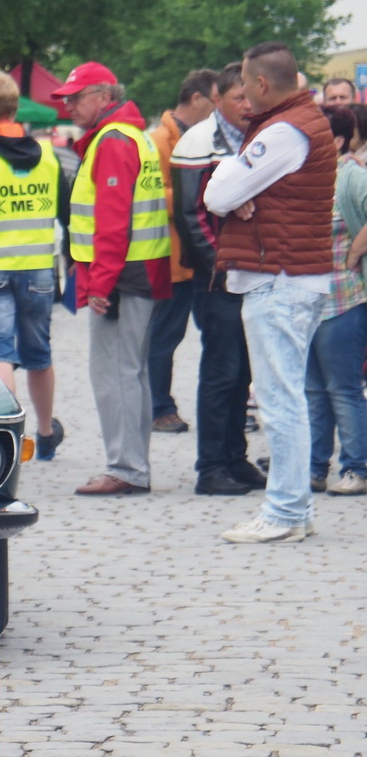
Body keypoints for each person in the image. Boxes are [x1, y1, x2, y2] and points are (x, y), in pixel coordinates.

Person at [205, 42, 338, 542]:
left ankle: (283, 512)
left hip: (277, 280)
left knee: (280, 401)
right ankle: (294, 509)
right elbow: (229, 194)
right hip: (294, 277)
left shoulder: (283, 131)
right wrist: (238, 181)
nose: (242, 96)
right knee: (289, 398)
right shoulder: (304, 122)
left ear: (261, 84)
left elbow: (218, 194)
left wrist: (232, 176)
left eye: (244, 84)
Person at [56, 61, 172, 497]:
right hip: (135, 271)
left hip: (120, 277)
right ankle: (131, 465)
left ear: (104, 96)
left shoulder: (112, 141)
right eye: (65, 98)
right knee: (131, 372)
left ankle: (125, 468)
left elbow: (112, 220)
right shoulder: (130, 135)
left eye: (75, 97)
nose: (68, 106)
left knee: (115, 374)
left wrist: (100, 282)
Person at [0, 71, 64, 460]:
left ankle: (9, 438)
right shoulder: (50, 156)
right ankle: (47, 432)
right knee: (39, 354)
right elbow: (65, 211)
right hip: (39, 267)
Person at [172, 64, 264, 496]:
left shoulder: (255, 135)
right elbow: (191, 215)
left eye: (250, 97)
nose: (247, 105)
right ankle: (211, 465)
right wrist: (219, 263)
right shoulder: (199, 139)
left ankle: (235, 455)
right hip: (217, 276)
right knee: (221, 370)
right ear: (218, 98)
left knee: (242, 370)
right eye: (238, 98)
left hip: (248, 271)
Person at [145, 69, 216, 435]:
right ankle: (159, 407)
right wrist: (200, 196)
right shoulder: (159, 140)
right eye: (215, 101)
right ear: (197, 98)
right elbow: (153, 196)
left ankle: (222, 406)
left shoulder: (200, 137)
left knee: (217, 333)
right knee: (165, 336)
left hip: (197, 258)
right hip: (172, 258)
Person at [305, 104, 367, 496]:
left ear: (339, 140)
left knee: (342, 388)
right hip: (308, 301)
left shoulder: (351, 177)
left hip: (343, 299)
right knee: (311, 390)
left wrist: (355, 253)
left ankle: (356, 467)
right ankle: (313, 468)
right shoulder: (308, 178)